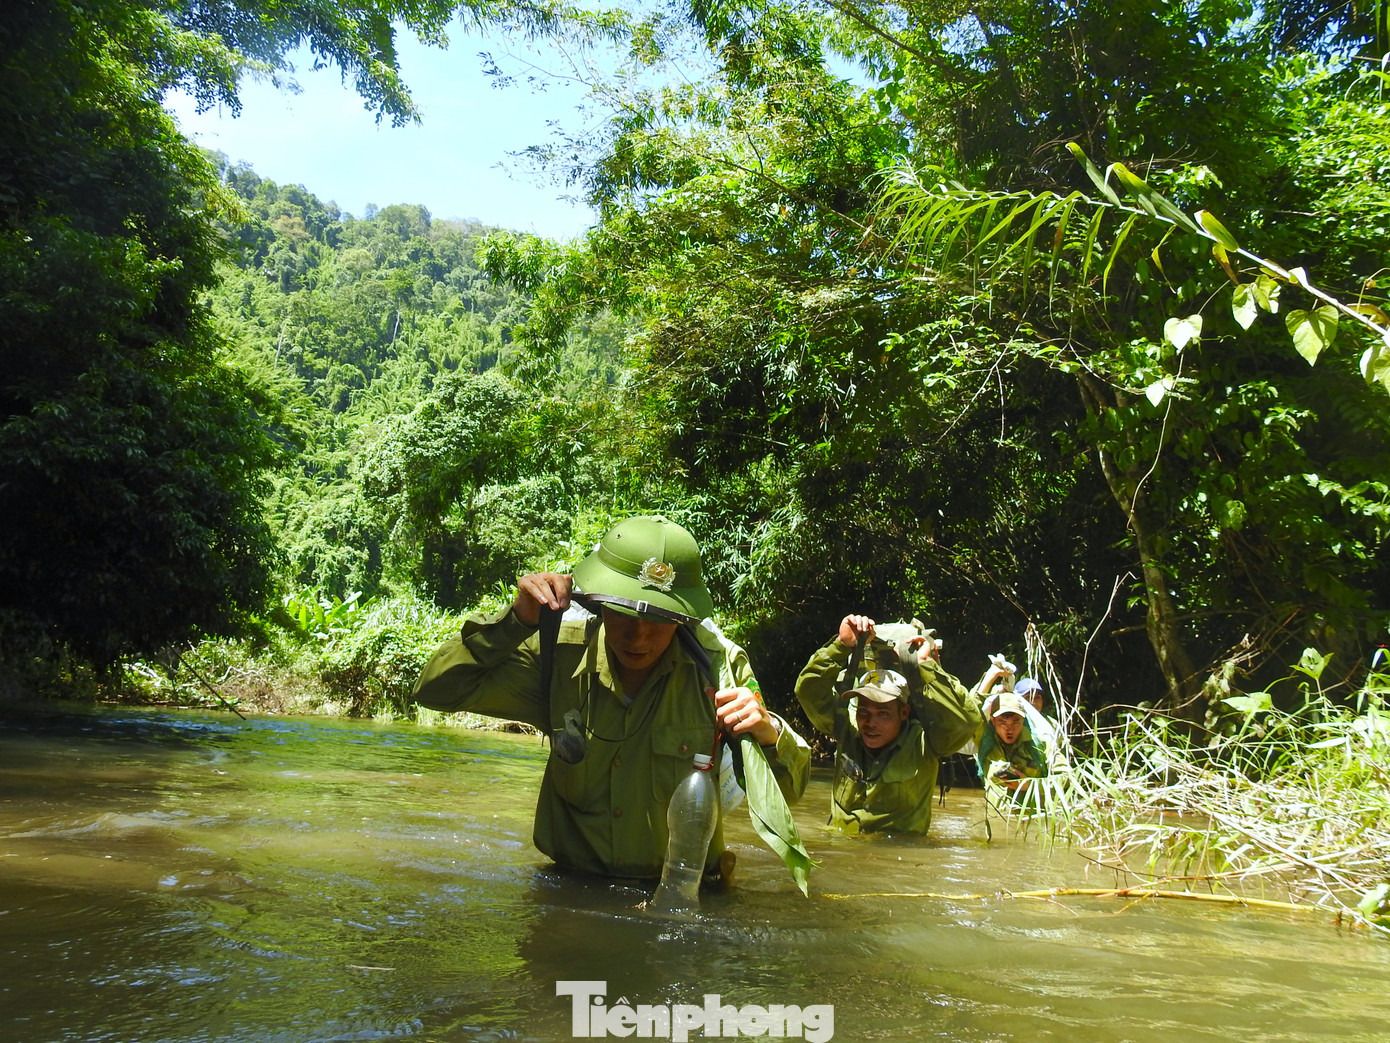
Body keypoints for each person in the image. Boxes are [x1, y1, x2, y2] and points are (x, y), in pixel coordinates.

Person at [412, 515, 810, 880]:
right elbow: (435, 689)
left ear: (684, 619)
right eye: (623, 612)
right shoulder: (555, 656)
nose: (638, 637)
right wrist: (517, 621)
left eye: (659, 620)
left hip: (680, 901)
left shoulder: (718, 671)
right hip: (568, 894)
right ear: (598, 602)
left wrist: (769, 731)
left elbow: (789, 793)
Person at [794, 614, 982, 835]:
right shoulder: (847, 729)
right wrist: (842, 645)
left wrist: (924, 666)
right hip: (843, 853)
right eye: (864, 711)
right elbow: (807, 691)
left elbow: (968, 720)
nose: (870, 723)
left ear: (903, 712)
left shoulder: (926, 743)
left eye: (883, 713)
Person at [975, 691, 1063, 798]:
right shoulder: (984, 740)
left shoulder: (1042, 742)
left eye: (1015, 722)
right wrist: (993, 675)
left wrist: (1030, 785)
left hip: (1031, 813)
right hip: (995, 814)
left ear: (1024, 719)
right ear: (993, 721)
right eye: (1003, 723)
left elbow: (1066, 778)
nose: (1009, 729)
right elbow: (969, 710)